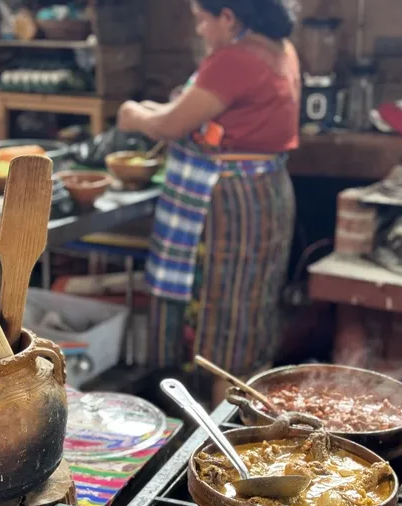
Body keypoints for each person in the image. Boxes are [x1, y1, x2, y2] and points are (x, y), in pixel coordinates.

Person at [117, 0, 301, 406]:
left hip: (231, 204)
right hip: (265, 192)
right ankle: (241, 419)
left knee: (227, 317)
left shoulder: (235, 60)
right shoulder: (279, 48)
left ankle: (218, 427)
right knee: (249, 310)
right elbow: (196, 113)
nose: (199, 30)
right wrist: (157, 111)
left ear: (228, 17)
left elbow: (170, 124)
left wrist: (133, 114)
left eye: (202, 20)